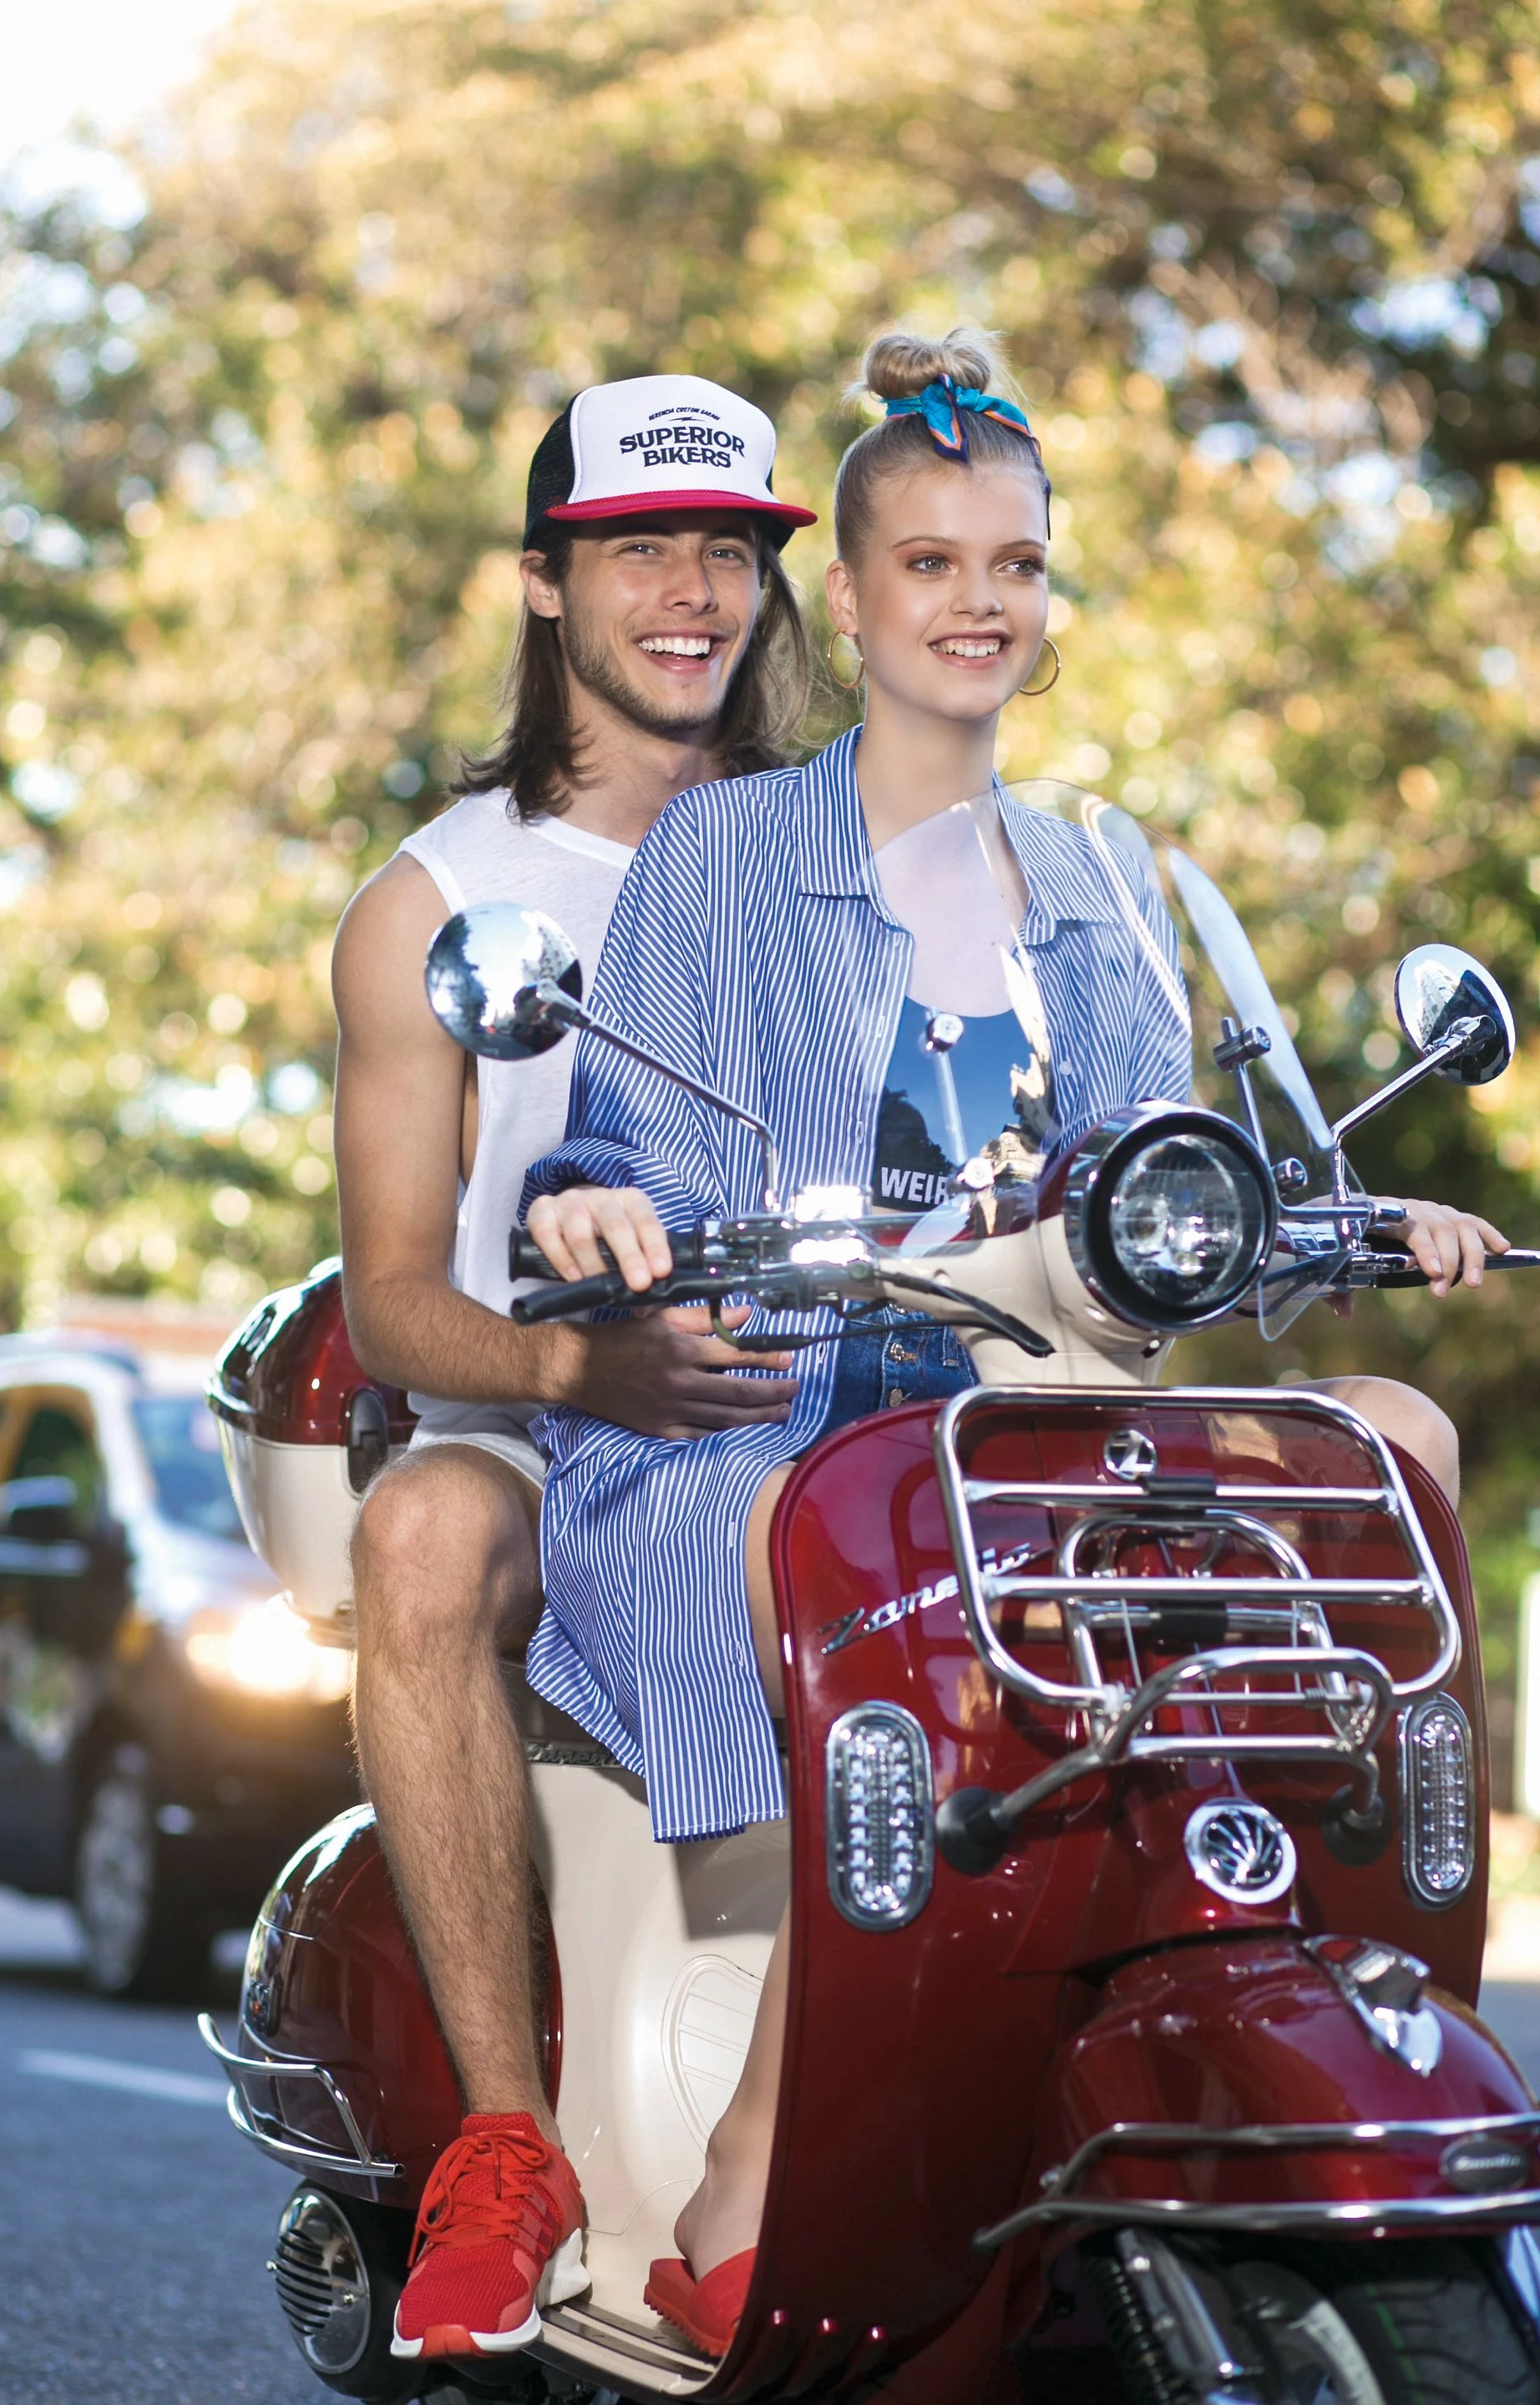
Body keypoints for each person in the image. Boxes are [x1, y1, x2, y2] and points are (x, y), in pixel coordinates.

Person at [520, 327, 1507, 2356]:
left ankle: (1349, 1962)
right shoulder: (722, 851)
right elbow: (625, 1148)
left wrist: (1345, 1219)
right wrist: (597, 1212)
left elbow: (1165, 1190)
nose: (980, 603)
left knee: (1388, 1431)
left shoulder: (1101, 878)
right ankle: (756, 2153)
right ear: (851, 600)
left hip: (1048, 1415)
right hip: (787, 1405)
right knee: (816, 1548)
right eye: (933, 564)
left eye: (1017, 566)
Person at [331, 371, 816, 2365]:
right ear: (546, 584)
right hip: (551, 1431)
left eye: (728, 551)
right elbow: (391, 1304)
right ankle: (507, 2145)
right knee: (422, 1536)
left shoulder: (858, 855)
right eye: (639, 552)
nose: (691, 592)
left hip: (831, 1413)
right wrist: (579, 1369)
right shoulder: (438, 903)